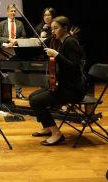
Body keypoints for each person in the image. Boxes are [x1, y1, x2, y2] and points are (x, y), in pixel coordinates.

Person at [28, 16, 86, 146]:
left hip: (73, 89)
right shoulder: (62, 41)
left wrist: (56, 54)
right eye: (52, 28)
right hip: (64, 86)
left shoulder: (70, 42)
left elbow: (74, 67)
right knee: (32, 96)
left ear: (65, 28)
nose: (53, 31)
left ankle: (57, 134)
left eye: (56, 28)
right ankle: (48, 127)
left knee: (36, 101)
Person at [0, 4, 27, 99]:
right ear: (7, 12)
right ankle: (5, 94)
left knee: (18, 71)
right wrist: (9, 40)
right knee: (5, 72)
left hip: (16, 50)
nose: (13, 13)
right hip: (4, 50)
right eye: (11, 11)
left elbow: (24, 37)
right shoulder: (1, 24)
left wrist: (16, 41)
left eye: (14, 11)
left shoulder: (19, 23)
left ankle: (18, 93)